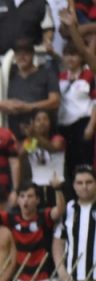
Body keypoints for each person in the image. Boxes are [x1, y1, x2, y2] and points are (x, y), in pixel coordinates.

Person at [0, 38, 60, 140]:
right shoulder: (8, 74)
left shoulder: (47, 73)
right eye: (18, 54)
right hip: (14, 135)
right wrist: (5, 105)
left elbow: (55, 101)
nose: (22, 57)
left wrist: (28, 107)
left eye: (26, 53)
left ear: (33, 54)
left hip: (42, 135)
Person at [53, 164, 96, 281]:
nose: (84, 187)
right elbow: (58, 242)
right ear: (73, 185)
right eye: (80, 183)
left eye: (89, 182)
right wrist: (62, 271)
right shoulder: (68, 210)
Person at [56, 40, 96, 192]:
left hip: (82, 124)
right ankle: (71, 198)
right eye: (67, 55)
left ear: (81, 57)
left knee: (84, 164)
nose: (70, 59)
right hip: (64, 126)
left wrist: (91, 126)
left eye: (74, 55)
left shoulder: (89, 75)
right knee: (68, 164)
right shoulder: (60, 77)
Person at [19, 109, 65, 208]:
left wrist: (34, 135)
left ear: (50, 122)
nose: (42, 123)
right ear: (33, 124)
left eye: (45, 119)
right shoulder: (32, 141)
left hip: (56, 186)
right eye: (38, 120)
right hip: (36, 187)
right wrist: (30, 139)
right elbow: (20, 156)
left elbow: (53, 149)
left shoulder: (57, 138)